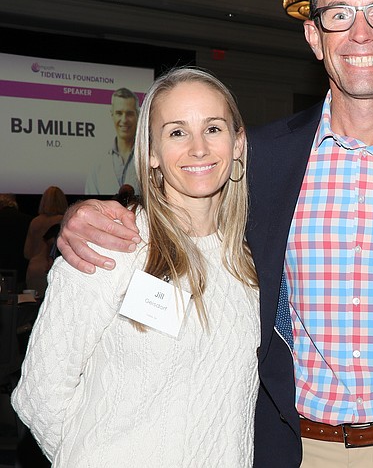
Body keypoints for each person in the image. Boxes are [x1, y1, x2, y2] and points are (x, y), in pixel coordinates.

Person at [57, 0, 373, 468]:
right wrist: (82, 215)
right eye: (338, 14)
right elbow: (186, 215)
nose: (360, 33)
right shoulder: (260, 159)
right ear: (314, 36)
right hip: (294, 448)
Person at [13, 67, 260, 466]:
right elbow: (40, 393)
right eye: (177, 132)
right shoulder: (112, 245)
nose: (199, 148)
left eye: (213, 128)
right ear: (152, 151)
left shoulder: (248, 264)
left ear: (237, 142)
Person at [85, 87, 141, 195]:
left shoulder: (150, 160)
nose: (124, 120)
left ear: (137, 115)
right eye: (119, 113)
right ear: (112, 115)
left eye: (129, 113)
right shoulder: (98, 164)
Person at [23, 185, 68, 293]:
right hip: (54, 268)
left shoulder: (35, 222)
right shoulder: (64, 221)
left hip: (34, 268)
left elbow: (27, 253)